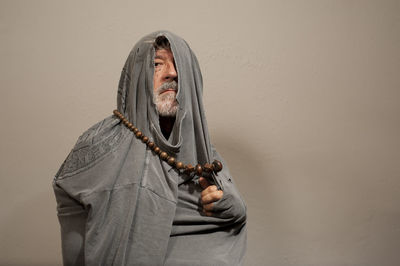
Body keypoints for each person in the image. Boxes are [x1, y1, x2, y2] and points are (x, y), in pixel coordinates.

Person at [53, 31, 247, 266]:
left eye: (179, 67)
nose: (172, 73)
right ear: (136, 76)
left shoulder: (202, 152)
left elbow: (232, 207)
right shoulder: (99, 147)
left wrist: (231, 206)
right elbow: (70, 204)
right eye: (157, 64)